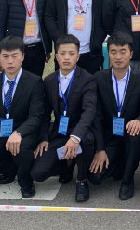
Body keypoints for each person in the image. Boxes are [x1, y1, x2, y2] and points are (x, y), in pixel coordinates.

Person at [0, 36, 45, 197]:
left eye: (14, 56)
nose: (10, 61)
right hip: (1, 132)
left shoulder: (34, 82)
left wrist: (19, 132)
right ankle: (9, 167)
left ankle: (25, 180)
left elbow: (36, 116)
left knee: (22, 150)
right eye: (5, 56)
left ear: (23, 56)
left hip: (23, 134)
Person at [32, 34, 98, 202]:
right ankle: (67, 163)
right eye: (63, 53)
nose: (67, 57)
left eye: (71, 53)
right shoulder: (49, 80)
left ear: (78, 56)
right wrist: (43, 138)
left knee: (86, 140)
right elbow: (44, 113)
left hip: (80, 132)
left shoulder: (88, 79)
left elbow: (89, 111)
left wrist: (75, 138)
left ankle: (82, 179)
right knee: (38, 174)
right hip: (59, 132)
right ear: (56, 56)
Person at [88, 32, 140, 199]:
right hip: (110, 138)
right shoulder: (98, 78)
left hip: (131, 135)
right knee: (94, 178)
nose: (118, 57)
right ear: (108, 54)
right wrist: (100, 149)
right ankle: (119, 165)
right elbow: (96, 116)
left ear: (131, 54)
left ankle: (127, 181)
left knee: (136, 135)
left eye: (123, 52)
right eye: (113, 52)